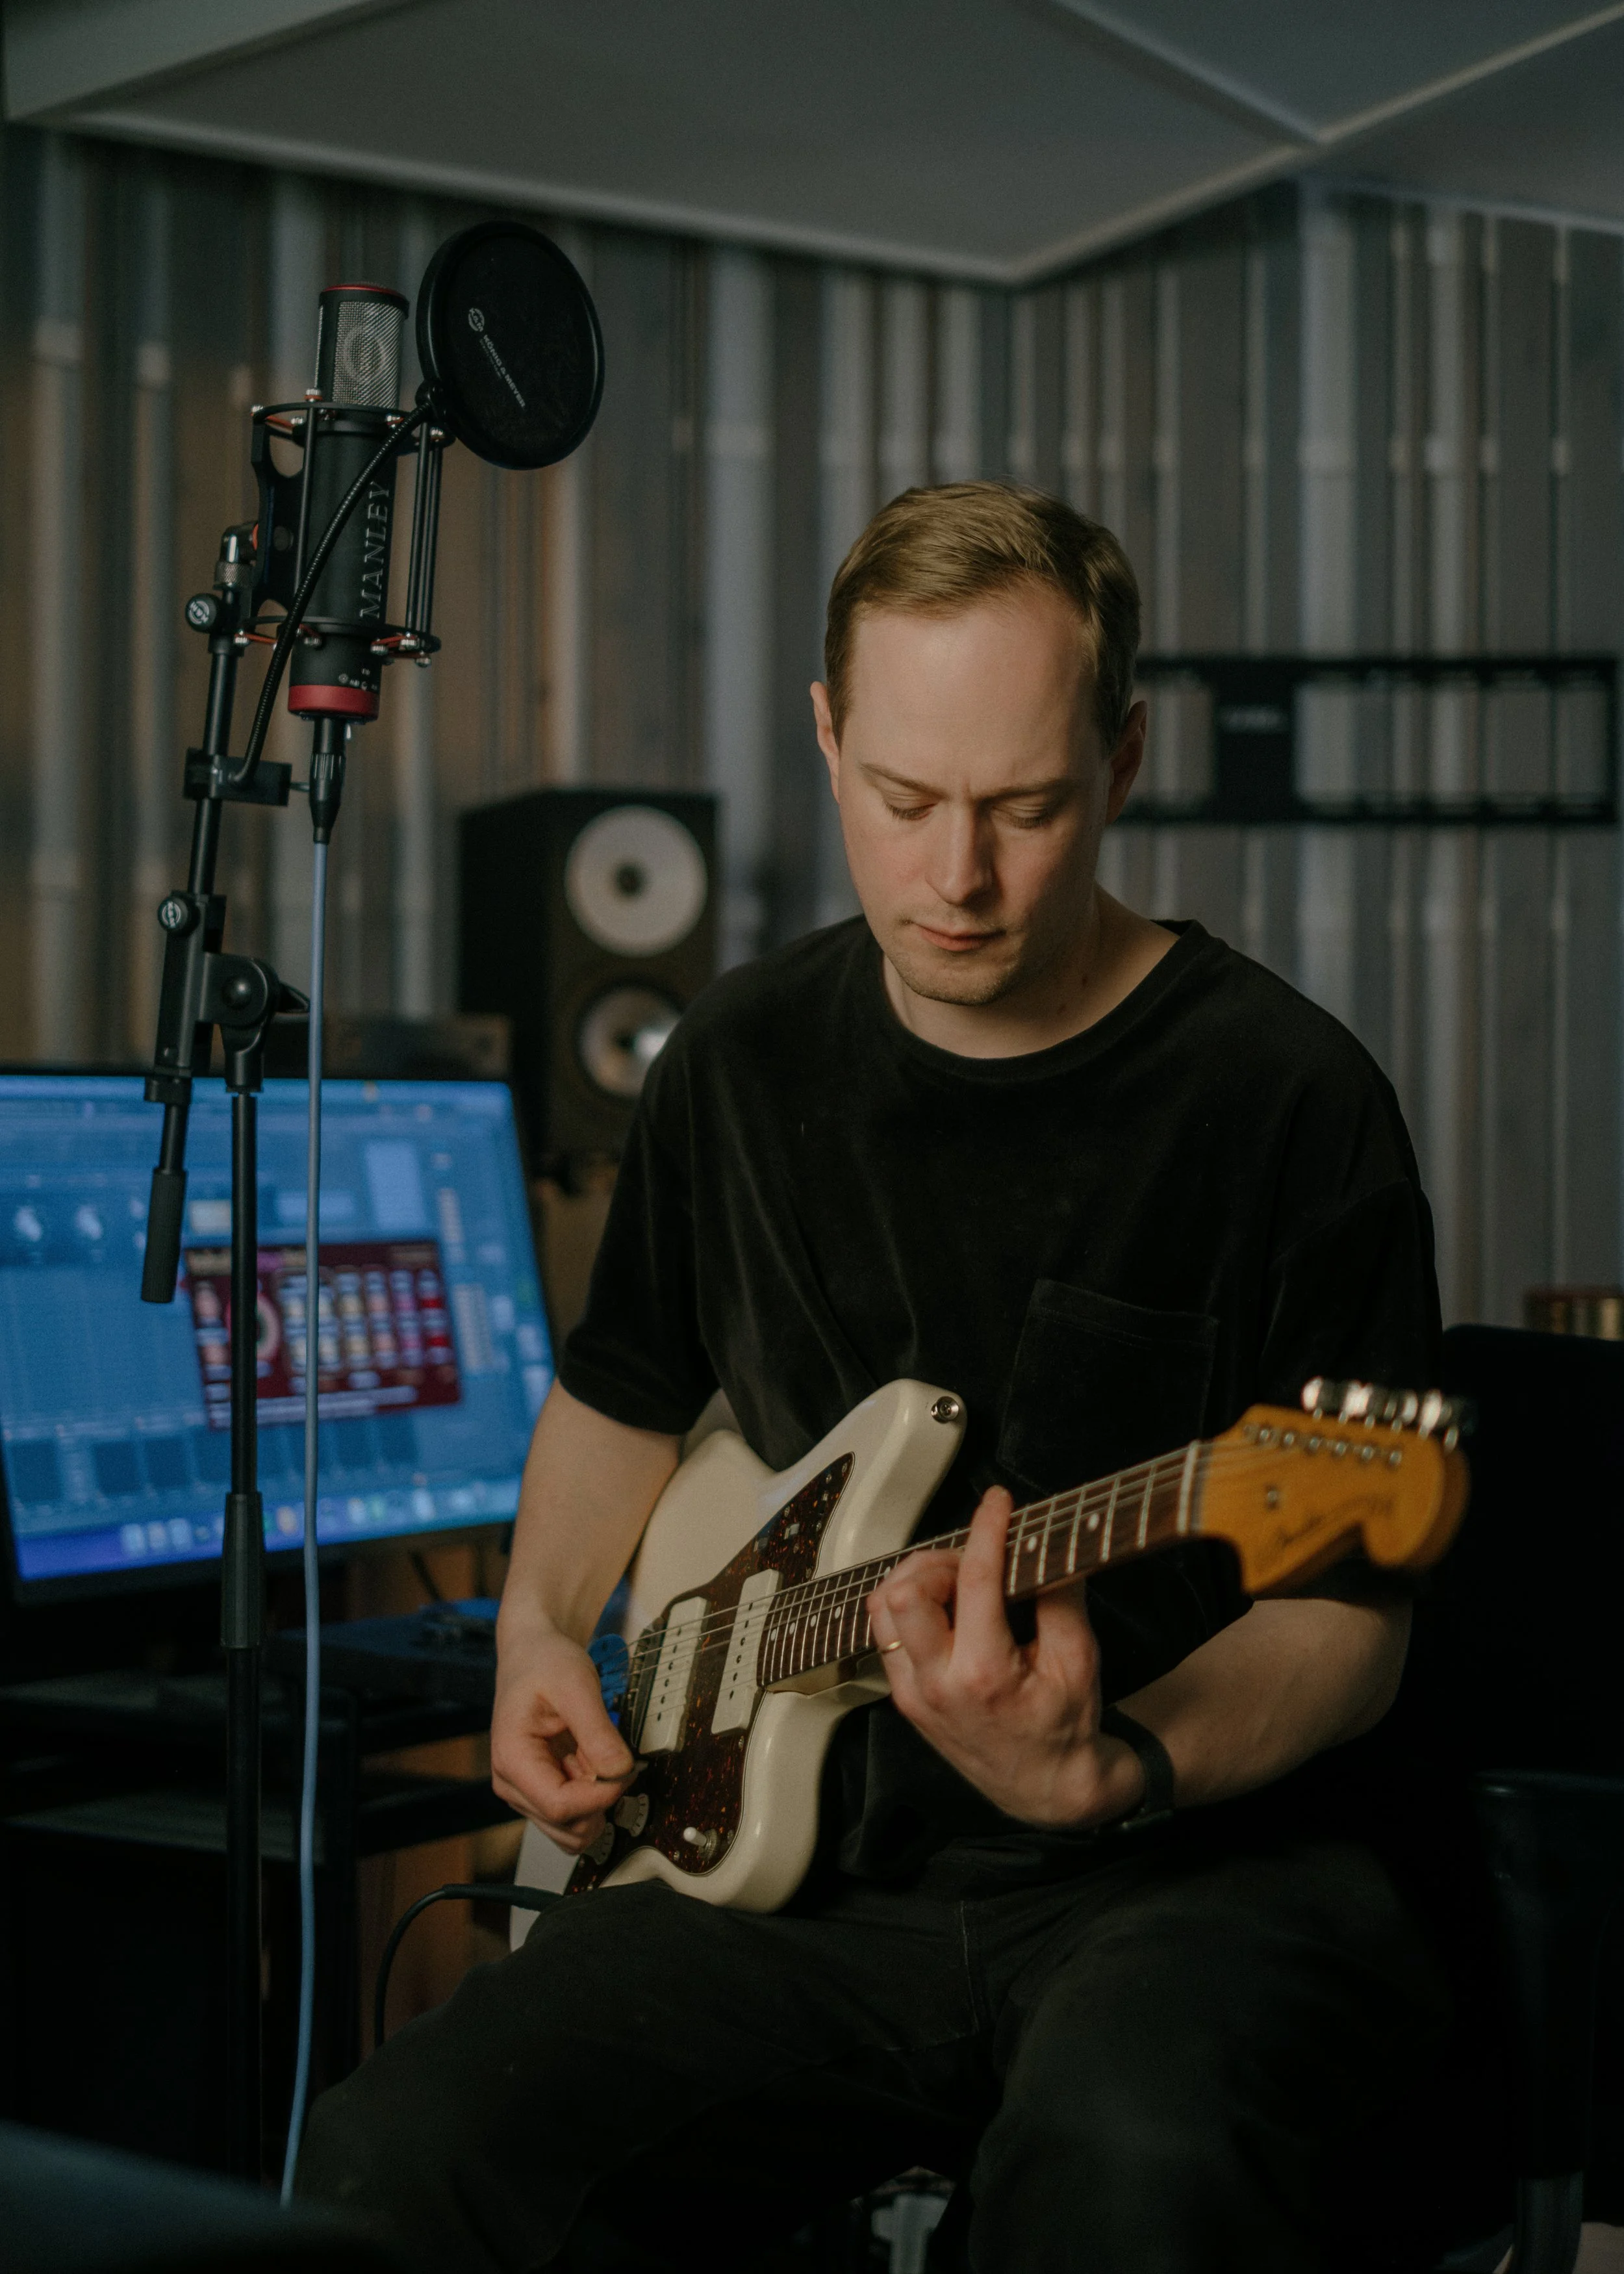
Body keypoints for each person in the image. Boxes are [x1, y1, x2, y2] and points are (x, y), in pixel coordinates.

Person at [299, 483, 1450, 2272]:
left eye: (1025, 806)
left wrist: (1117, 1766)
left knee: (1128, 2179)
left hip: (1188, 1873)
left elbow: (1354, 1621)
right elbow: (619, 1391)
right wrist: (537, 1629)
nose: (956, 875)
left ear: (1124, 757)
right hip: (794, 1874)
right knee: (398, 2161)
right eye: (906, 800)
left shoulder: (1286, 1099)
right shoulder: (736, 1058)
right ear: (828, 739)